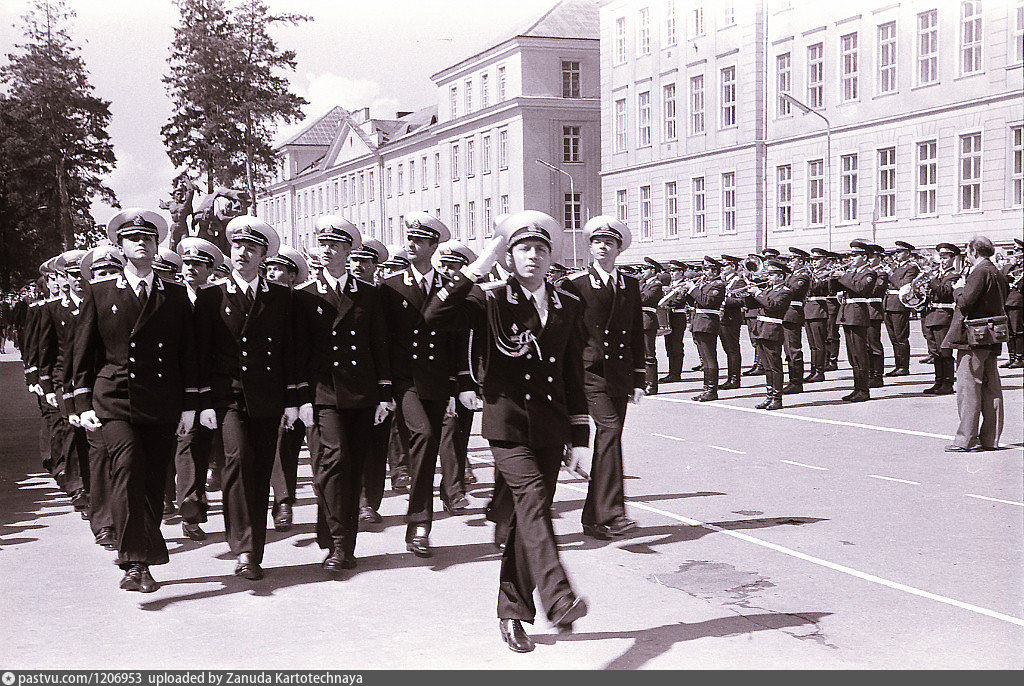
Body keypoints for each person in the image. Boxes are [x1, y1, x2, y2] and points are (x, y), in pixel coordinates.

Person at [424, 210, 590, 653]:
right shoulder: (490, 298)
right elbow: (436, 313)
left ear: (551, 257)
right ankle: (559, 597)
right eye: (522, 248)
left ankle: (512, 613)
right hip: (508, 425)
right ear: (509, 257)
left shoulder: (567, 304)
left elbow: (573, 371)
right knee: (532, 501)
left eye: (540, 248)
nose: (532, 256)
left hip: (552, 428)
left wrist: (578, 438)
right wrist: (480, 263)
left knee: (524, 518)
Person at [71, 209, 199, 593]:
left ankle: (143, 554)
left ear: (157, 245)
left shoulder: (174, 295)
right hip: (115, 398)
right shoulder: (101, 292)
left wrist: (189, 406)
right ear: (121, 247)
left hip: (160, 400)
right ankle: (135, 562)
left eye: (147, 238)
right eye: (132, 239)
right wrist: (80, 404)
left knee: (152, 481)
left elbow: (187, 354)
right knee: (127, 468)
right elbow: (83, 351)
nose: (140, 243)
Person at [193, 216, 301, 581]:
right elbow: (201, 355)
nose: (242, 253)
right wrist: (204, 402)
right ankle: (242, 549)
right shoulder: (211, 297)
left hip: (269, 398)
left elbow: (289, 350)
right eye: (237, 246)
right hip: (228, 398)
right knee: (236, 464)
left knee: (258, 471)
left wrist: (292, 400)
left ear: (263, 257)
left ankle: (254, 550)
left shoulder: (282, 297)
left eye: (251, 248)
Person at [293, 216, 393, 572]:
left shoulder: (367, 294)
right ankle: (337, 543)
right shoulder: (304, 296)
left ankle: (341, 540)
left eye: (335, 245)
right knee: (333, 463)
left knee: (351, 469)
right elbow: (299, 353)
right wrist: (301, 397)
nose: (327, 251)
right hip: (324, 393)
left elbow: (379, 344)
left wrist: (385, 393)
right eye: (323, 244)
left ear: (349, 251)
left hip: (362, 392)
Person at [379, 211, 460, 558]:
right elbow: (381, 339)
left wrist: (459, 385)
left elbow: (457, 338)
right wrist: (384, 389)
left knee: (427, 451)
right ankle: (419, 521)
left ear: (433, 245)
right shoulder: (391, 287)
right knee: (425, 436)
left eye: (418, 240)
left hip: (438, 380)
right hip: (405, 380)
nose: (410, 245)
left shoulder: (448, 285)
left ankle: (420, 525)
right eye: (408, 239)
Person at [563, 216, 643, 540]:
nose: (603, 247)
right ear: (590, 247)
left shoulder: (630, 285)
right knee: (608, 432)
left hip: (621, 376)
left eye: (609, 242)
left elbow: (637, 332)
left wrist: (640, 377)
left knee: (608, 444)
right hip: (589, 373)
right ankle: (613, 512)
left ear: (618, 249)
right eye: (597, 242)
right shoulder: (575, 285)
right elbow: (565, 332)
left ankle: (593, 519)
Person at [76, 244, 125, 550]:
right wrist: (77, 402)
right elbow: (76, 356)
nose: (106, 277)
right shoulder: (90, 303)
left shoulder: (127, 302)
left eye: (112, 272)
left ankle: (124, 520)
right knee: (100, 458)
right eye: (100, 273)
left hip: (124, 398)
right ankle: (104, 523)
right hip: (98, 397)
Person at [943, 235, 1008, 452]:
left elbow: (965, 302)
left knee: (968, 388)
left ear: (974, 252)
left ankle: (966, 439)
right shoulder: (996, 271)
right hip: (992, 336)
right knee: (992, 388)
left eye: (968, 252)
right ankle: (990, 439)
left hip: (974, 338)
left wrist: (958, 288)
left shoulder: (979, 272)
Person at [263, 245, 309, 533]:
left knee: (308, 448)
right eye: (269, 267)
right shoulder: (264, 301)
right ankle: (283, 501)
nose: (272, 272)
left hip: (313, 386)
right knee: (282, 443)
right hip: (278, 385)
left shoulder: (305, 300)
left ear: (292, 275)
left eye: (279, 268)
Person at [433, 240, 480, 516]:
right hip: (440, 378)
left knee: (459, 435)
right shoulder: (439, 296)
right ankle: (454, 491)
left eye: (454, 266)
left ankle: (453, 488)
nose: (448, 272)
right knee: (447, 432)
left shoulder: (475, 295)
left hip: (469, 379)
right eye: (445, 266)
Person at [743, 259, 795, 410]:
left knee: (774, 366)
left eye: (772, 274)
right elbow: (755, 304)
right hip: (761, 329)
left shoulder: (785, 292)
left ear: (781, 276)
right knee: (766, 366)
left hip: (772, 329)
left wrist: (757, 293)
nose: (769, 277)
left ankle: (777, 399)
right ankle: (769, 396)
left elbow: (772, 306)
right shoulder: (768, 290)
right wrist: (749, 293)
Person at [832, 240, 878, 402]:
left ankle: (863, 390)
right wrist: (835, 281)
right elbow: (839, 287)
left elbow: (862, 290)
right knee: (852, 355)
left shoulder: (869, 273)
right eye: (851, 254)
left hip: (858, 314)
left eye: (855, 255)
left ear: (864, 257)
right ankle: (857, 388)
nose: (852, 258)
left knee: (860, 353)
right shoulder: (852, 272)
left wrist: (843, 277)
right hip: (847, 313)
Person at [684, 257, 726, 401]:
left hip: (708, 323)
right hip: (699, 323)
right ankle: (706, 389)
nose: (704, 272)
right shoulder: (705, 284)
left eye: (707, 269)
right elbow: (695, 301)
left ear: (714, 271)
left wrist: (693, 289)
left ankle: (711, 390)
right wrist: (687, 293)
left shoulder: (718, 285)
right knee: (705, 359)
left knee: (709, 358)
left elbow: (706, 302)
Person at [922, 244, 961, 396]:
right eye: (941, 257)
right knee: (935, 352)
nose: (942, 261)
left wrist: (931, 280)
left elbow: (944, 292)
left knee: (945, 352)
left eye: (945, 258)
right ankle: (938, 381)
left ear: (953, 258)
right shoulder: (937, 275)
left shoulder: (954, 275)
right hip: (931, 315)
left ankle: (948, 383)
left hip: (944, 315)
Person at [883, 241, 920, 376]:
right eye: (896, 252)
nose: (896, 254)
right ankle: (898, 365)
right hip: (888, 304)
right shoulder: (895, 267)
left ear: (907, 253)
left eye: (900, 252)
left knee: (901, 337)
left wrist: (890, 274)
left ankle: (903, 366)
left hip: (899, 305)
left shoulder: (912, 268)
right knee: (893, 338)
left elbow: (903, 285)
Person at [802, 248, 832, 384]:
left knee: (819, 344)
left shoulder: (828, 273)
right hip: (808, 310)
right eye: (813, 260)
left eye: (818, 259)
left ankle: (820, 371)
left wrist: (807, 277)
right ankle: (813, 370)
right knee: (812, 345)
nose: (814, 262)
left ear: (825, 260)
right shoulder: (812, 273)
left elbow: (818, 287)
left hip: (818, 310)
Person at [718, 255, 745, 389]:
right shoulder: (723, 281)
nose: (722, 268)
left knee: (732, 349)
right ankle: (730, 378)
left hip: (731, 319)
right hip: (722, 319)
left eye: (725, 265)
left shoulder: (739, 282)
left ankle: (735, 379)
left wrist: (723, 300)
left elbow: (742, 301)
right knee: (727, 349)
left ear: (733, 267)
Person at [658, 260, 688, 382]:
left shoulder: (684, 285)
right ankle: (671, 372)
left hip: (677, 317)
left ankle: (676, 373)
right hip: (668, 317)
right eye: (670, 270)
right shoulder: (670, 285)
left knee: (676, 345)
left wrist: (666, 304)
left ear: (681, 272)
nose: (672, 273)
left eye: (674, 270)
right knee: (669, 346)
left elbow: (679, 300)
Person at [638, 258, 664, 394]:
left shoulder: (656, 285)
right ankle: (643, 381)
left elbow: (644, 299)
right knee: (640, 354)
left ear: (652, 270)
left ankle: (652, 385)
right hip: (639, 321)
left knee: (649, 355)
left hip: (648, 321)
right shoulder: (643, 283)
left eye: (645, 268)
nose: (642, 271)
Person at [999, 238, 1023, 368]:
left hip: (1018, 302)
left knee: (1017, 330)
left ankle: (1020, 357)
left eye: (1017, 250)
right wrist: (1009, 266)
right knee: (1008, 330)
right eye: (1014, 250)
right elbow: (1001, 278)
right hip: (1007, 301)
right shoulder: (1009, 267)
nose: (1014, 252)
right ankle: (1011, 356)